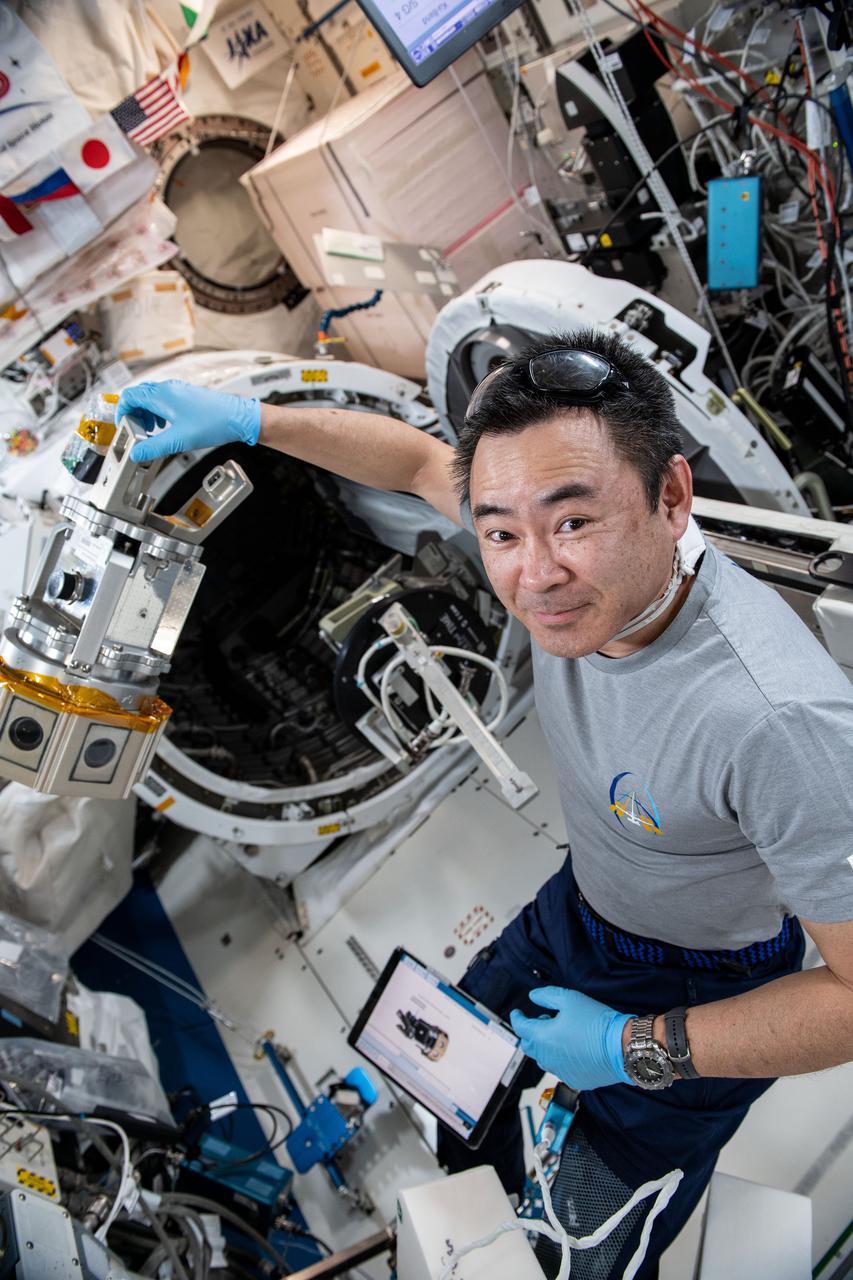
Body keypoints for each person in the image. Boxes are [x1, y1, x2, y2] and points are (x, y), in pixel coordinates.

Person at [117, 330, 853, 1278]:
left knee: (570, 1254)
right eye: (500, 531)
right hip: (578, 909)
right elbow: (419, 460)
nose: (531, 575)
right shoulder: (559, 562)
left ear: (670, 497)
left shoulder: (774, 720)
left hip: (698, 985)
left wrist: (635, 1048)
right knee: (454, 1087)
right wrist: (253, 422)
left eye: (573, 524)